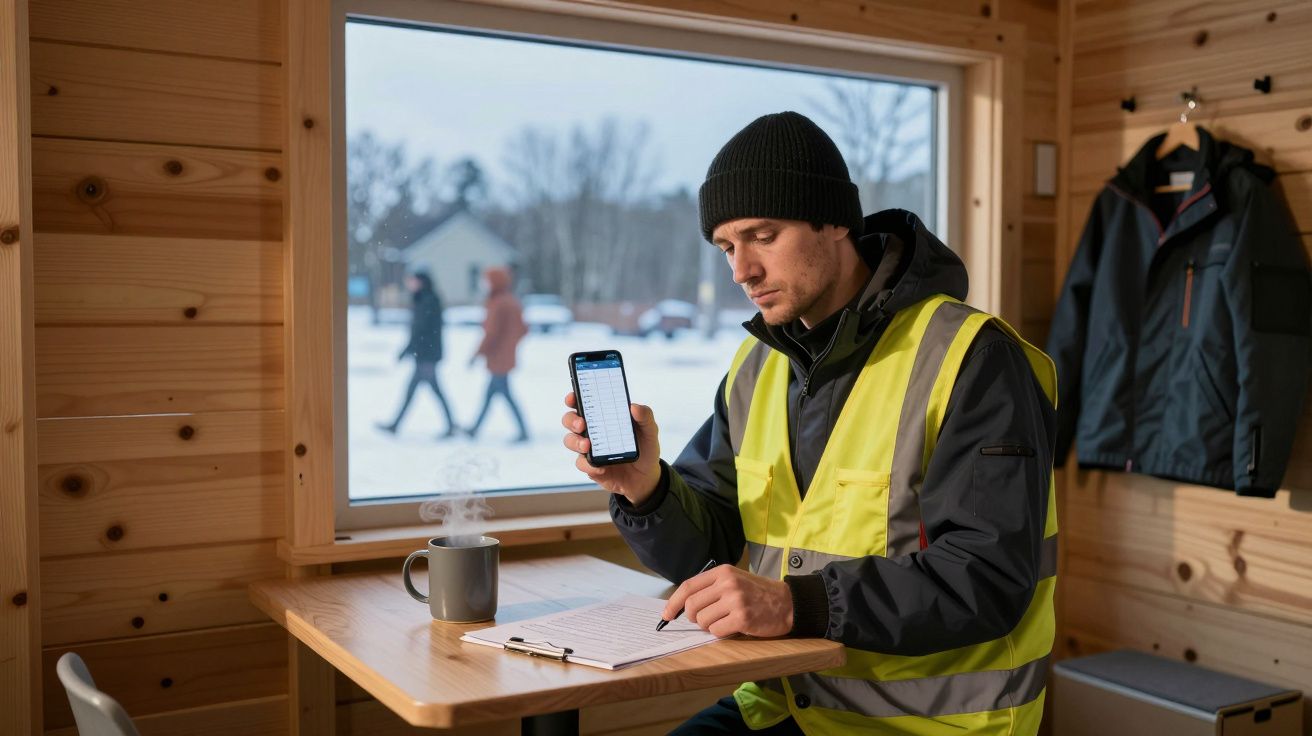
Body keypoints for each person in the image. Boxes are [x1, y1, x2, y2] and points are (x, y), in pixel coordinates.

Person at [560, 112, 1059, 735]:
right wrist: (646, 489)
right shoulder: (757, 366)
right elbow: (710, 551)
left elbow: (987, 578)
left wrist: (795, 603)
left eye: (762, 235)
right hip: (788, 703)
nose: (741, 270)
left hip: (928, 726)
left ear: (835, 221)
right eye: (726, 247)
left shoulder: (973, 357)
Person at [378, 270, 457, 438]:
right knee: (427, 390)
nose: (409, 284)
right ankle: (449, 425)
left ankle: (396, 425)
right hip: (424, 353)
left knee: (421, 390)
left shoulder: (428, 300)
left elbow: (421, 330)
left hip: (426, 354)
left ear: (421, 282)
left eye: (412, 281)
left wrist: (407, 350)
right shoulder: (423, 299)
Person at [465, 266, 531, 442]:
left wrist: (477, 354)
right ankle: (475, 428)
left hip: (498, 358)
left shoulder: (499, 302)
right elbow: (523, 329)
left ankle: (523, 431)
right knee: (492, 394)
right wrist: (511, 343)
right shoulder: (510, 300)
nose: (483, 285)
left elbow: (491, 333)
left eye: (486, 281)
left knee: (504, 394)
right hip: (504, 356)